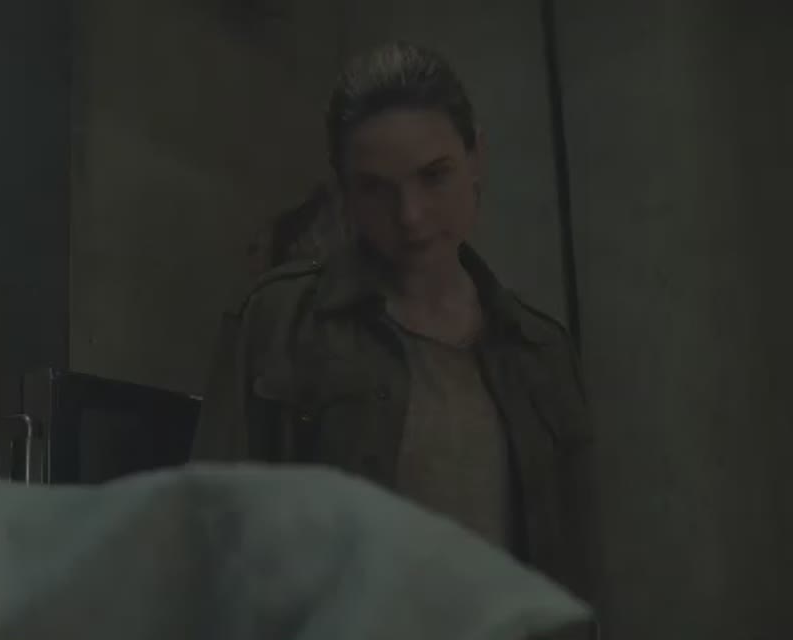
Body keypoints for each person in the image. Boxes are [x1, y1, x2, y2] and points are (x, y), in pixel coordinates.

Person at [193, 42, 598, 637]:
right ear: (345, 194)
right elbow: (213, 548)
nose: (411, 215)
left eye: (434, 176)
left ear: (477, 158)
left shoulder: (543, 352)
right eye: (376, 189)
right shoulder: (280, 321)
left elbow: (578, 577)